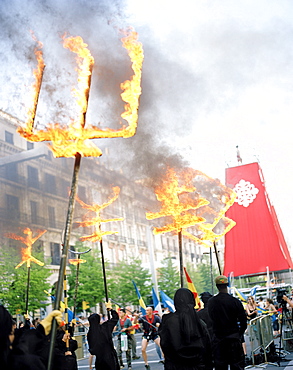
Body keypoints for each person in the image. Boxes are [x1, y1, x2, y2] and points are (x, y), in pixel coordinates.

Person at [159, 288, 213, 370]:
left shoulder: (168, 321)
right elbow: (207, 348)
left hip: (175, 365)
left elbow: (165, 345)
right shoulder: (199, 322)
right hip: (198, 365)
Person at [208, 275, 247, 370]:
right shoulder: (235, 301)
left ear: (217, 286)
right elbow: (243, 321)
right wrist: (239, 334)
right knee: (236, 365)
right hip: (233, 338)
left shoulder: (211, 302)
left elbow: (211, 318)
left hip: (219, 339)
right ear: (227, 285)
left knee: (220, 366)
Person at [87, 301, 120, 370]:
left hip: (99, 359)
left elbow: (92, 350)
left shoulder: (90, 333)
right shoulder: (105, 327)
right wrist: (110, 310)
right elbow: (115, 318)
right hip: (109, 356)